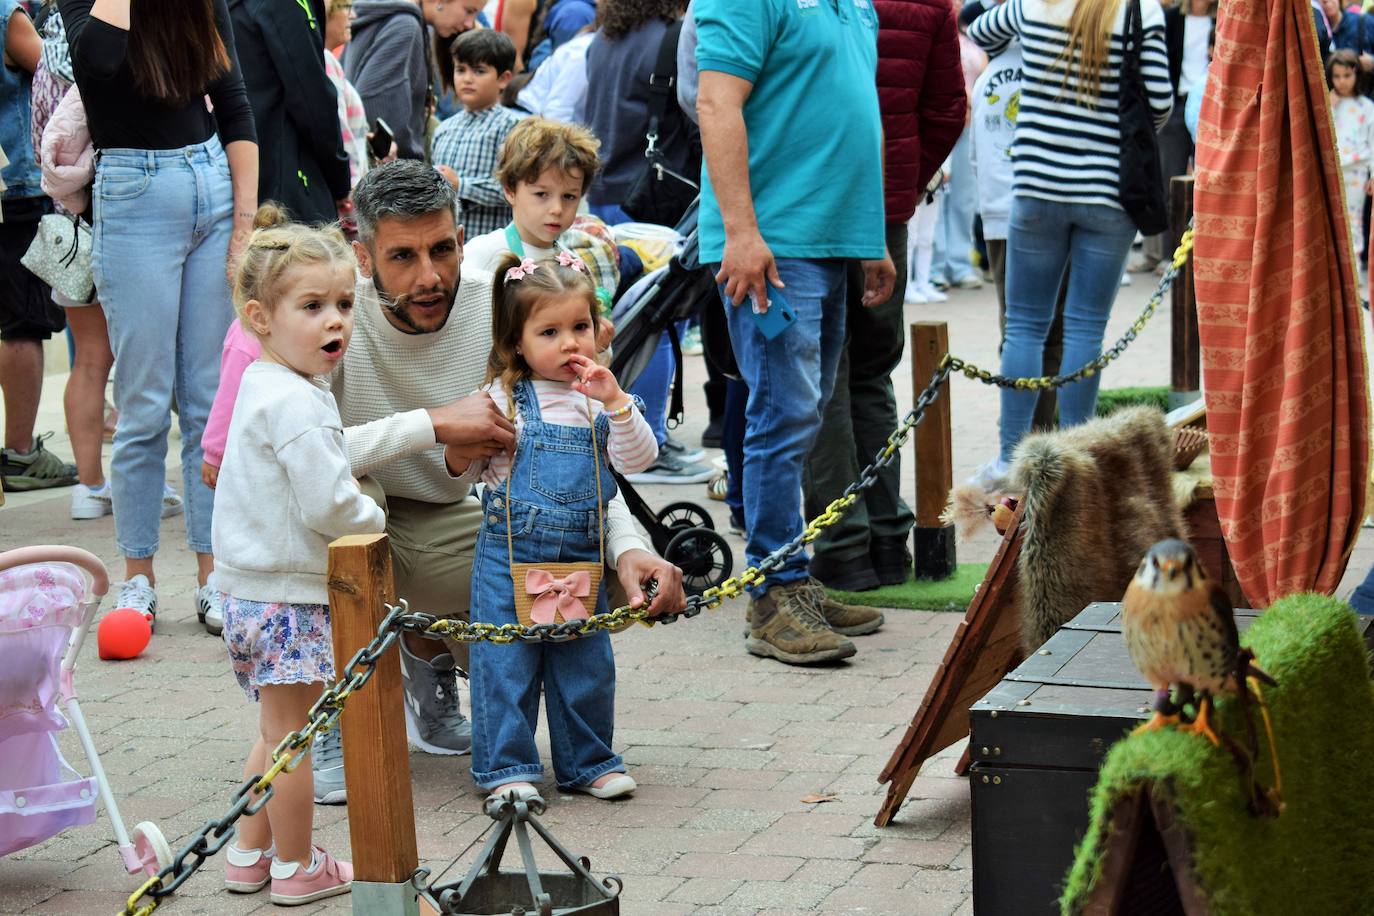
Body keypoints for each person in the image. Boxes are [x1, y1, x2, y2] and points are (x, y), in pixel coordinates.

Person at [308, 159, 685, 804]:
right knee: (346, 518)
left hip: (458, 510)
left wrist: (627, 547)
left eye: (443, 249)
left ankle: (435, 679)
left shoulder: (508, 304)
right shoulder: (332, 315)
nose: (429, 277)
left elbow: (582, 453)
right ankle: (337, 712)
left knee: (576, 587)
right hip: (352, 511)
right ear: (364, 258)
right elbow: (302, 455)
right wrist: (432, 424)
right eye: (403, 256)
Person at [695, 0, 893, 665]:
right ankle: (773, 594)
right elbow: (716, 104)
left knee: (801, 416)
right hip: (775, 244)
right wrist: (742, 232)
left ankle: (791, 577)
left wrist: (869, 239)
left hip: (826, 242)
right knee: (784, 414)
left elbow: (851, 114)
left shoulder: (856, 5)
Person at [59, 0, 259, 628]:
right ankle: (137, 576)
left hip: (212, 186)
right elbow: (100, 65)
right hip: (132, 192)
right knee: (144, 401)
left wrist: (245, 225)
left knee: (207, 397)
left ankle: (212, 574)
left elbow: (234, 105)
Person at [213, 210, 382, 907]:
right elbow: (329, 504)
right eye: (311, 307)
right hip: (287, 597)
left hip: (248, 593)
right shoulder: (301, 404)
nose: (332, 320)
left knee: (276, 731)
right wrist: (375, 518)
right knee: (297, 739)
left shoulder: (265, 383)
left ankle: (250, 853)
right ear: (260, 316)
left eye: (343, 303)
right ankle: (295, 866)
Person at [454, 252, 655, 802]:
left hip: (582, 555)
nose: (571, 343)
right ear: (516, 342)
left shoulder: (600, 402)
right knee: (505, 662)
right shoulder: (501, 399)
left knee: (585, 663)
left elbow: (638, 460)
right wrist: (460, 450)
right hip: (509, 555)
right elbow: (468, 471)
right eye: (550, 331)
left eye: (580, 327)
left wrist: (617, 403)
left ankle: (589, 762)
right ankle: (507, 769)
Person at [968, 0, 1172, 486]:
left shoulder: (1032, 4)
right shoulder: (1142, 12)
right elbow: (1160, 101)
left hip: (1037, 189)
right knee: (1084, 330)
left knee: (1024, 329)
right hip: (1108, 193)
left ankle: (1008, 460)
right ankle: (1077, 459)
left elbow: (979, 29)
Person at [803, 0, 966, 592]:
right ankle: (887, 543)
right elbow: (948, 109)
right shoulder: (931, 5)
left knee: (828, 379)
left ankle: (844, 546)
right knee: (869, 375)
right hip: (882, 216)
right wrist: (901, 186)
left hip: (815, 209)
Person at [0, 0, 77, 493]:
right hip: (17, 189)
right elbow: (58, 71)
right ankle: (21, 452)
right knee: (22, 322)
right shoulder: (6, 13)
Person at [229, 0, 350, 225]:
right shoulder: (284, 5)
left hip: (236, 170)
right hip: (285, 183)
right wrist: (340, 180)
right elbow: (313, 100)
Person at [345, 0, 482, 161]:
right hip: (386, 170)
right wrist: (409, 162)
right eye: (468, 11)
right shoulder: (405, 26)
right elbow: (376, 103)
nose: (469, 23)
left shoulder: (392, 17)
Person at [432, 29, 525, 238]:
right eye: (461, 70)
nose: (467, 79)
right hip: (449, 244)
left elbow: (519, 192)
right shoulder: (443, 129)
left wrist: (460, 185)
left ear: (503, 79)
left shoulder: (512, 127)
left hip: (492, 246)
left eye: (479, 71)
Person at [929, 0, 987, 292]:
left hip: (969, 125)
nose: (957, 4)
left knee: (964, 199)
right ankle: (935, 266)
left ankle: (960, 263)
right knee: (938, 196)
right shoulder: (933, 32)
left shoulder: (972, 37)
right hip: (940, 123)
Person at [322, 0, 370, 187]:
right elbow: (337, 132)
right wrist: (349, 186)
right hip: (348, 192)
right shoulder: (325, 60)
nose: (353, 15)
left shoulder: (326, 59)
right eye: (344, 7)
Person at [1331, 50, 1374, 258]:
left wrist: (1373, 174)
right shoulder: (1328, 104)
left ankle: (1354, 270)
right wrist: (1328, 107)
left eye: (1347, 76)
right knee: (1331, 222)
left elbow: (1373, 141)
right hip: (1330, 171)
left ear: (1357, 75)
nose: (1342, 82)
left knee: (1353, 219)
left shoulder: (1366, 107)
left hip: (1356, 170)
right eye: (1337, 76)